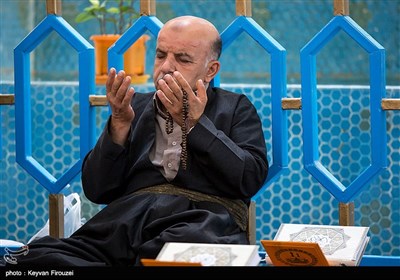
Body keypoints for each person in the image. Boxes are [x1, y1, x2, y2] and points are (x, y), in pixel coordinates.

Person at [9, 15, 268, 266]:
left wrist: (195, 125)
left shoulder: (235, 108)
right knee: (38, 258)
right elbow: (97, 190)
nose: (166, 66)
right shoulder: (134, 107)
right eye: (160, 55)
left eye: (183, 59)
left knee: (175, 255)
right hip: (126, 221)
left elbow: (249, 179)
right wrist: (119, 124)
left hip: (198, 223)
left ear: (211, 70)